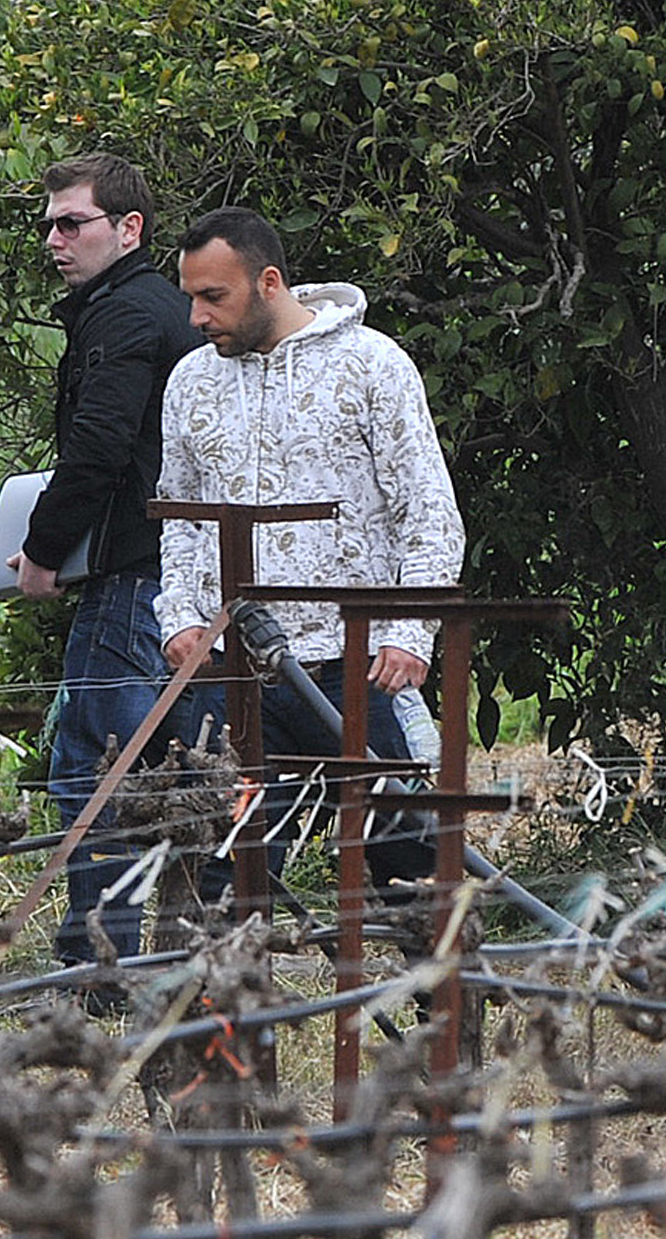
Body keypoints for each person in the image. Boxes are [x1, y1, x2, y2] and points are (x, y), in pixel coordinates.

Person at [153, 207, 462, 900]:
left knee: (408, 860)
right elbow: (176, 516)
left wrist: (410, 633)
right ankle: (221, 1004)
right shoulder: (189, 382)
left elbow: (430, 513)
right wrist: (176, 616)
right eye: (190, 297)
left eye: (214, 297)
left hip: (357, 666)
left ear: (268, 282)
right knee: (219, 867)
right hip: (230, 672)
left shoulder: (373, 365)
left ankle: (439, 1008)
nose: (198, 317)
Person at [12, 153, 198, 967]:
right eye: (49, 223)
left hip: (134, 569)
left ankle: (99, 966)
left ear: (129, 229)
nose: (55, 239)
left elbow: (99, 446)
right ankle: (162, 954)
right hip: (166, 565)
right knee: (171, 769)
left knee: (97, 769)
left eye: (72, 222)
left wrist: (43, 551)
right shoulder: (142, 306)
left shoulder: (126, 315)